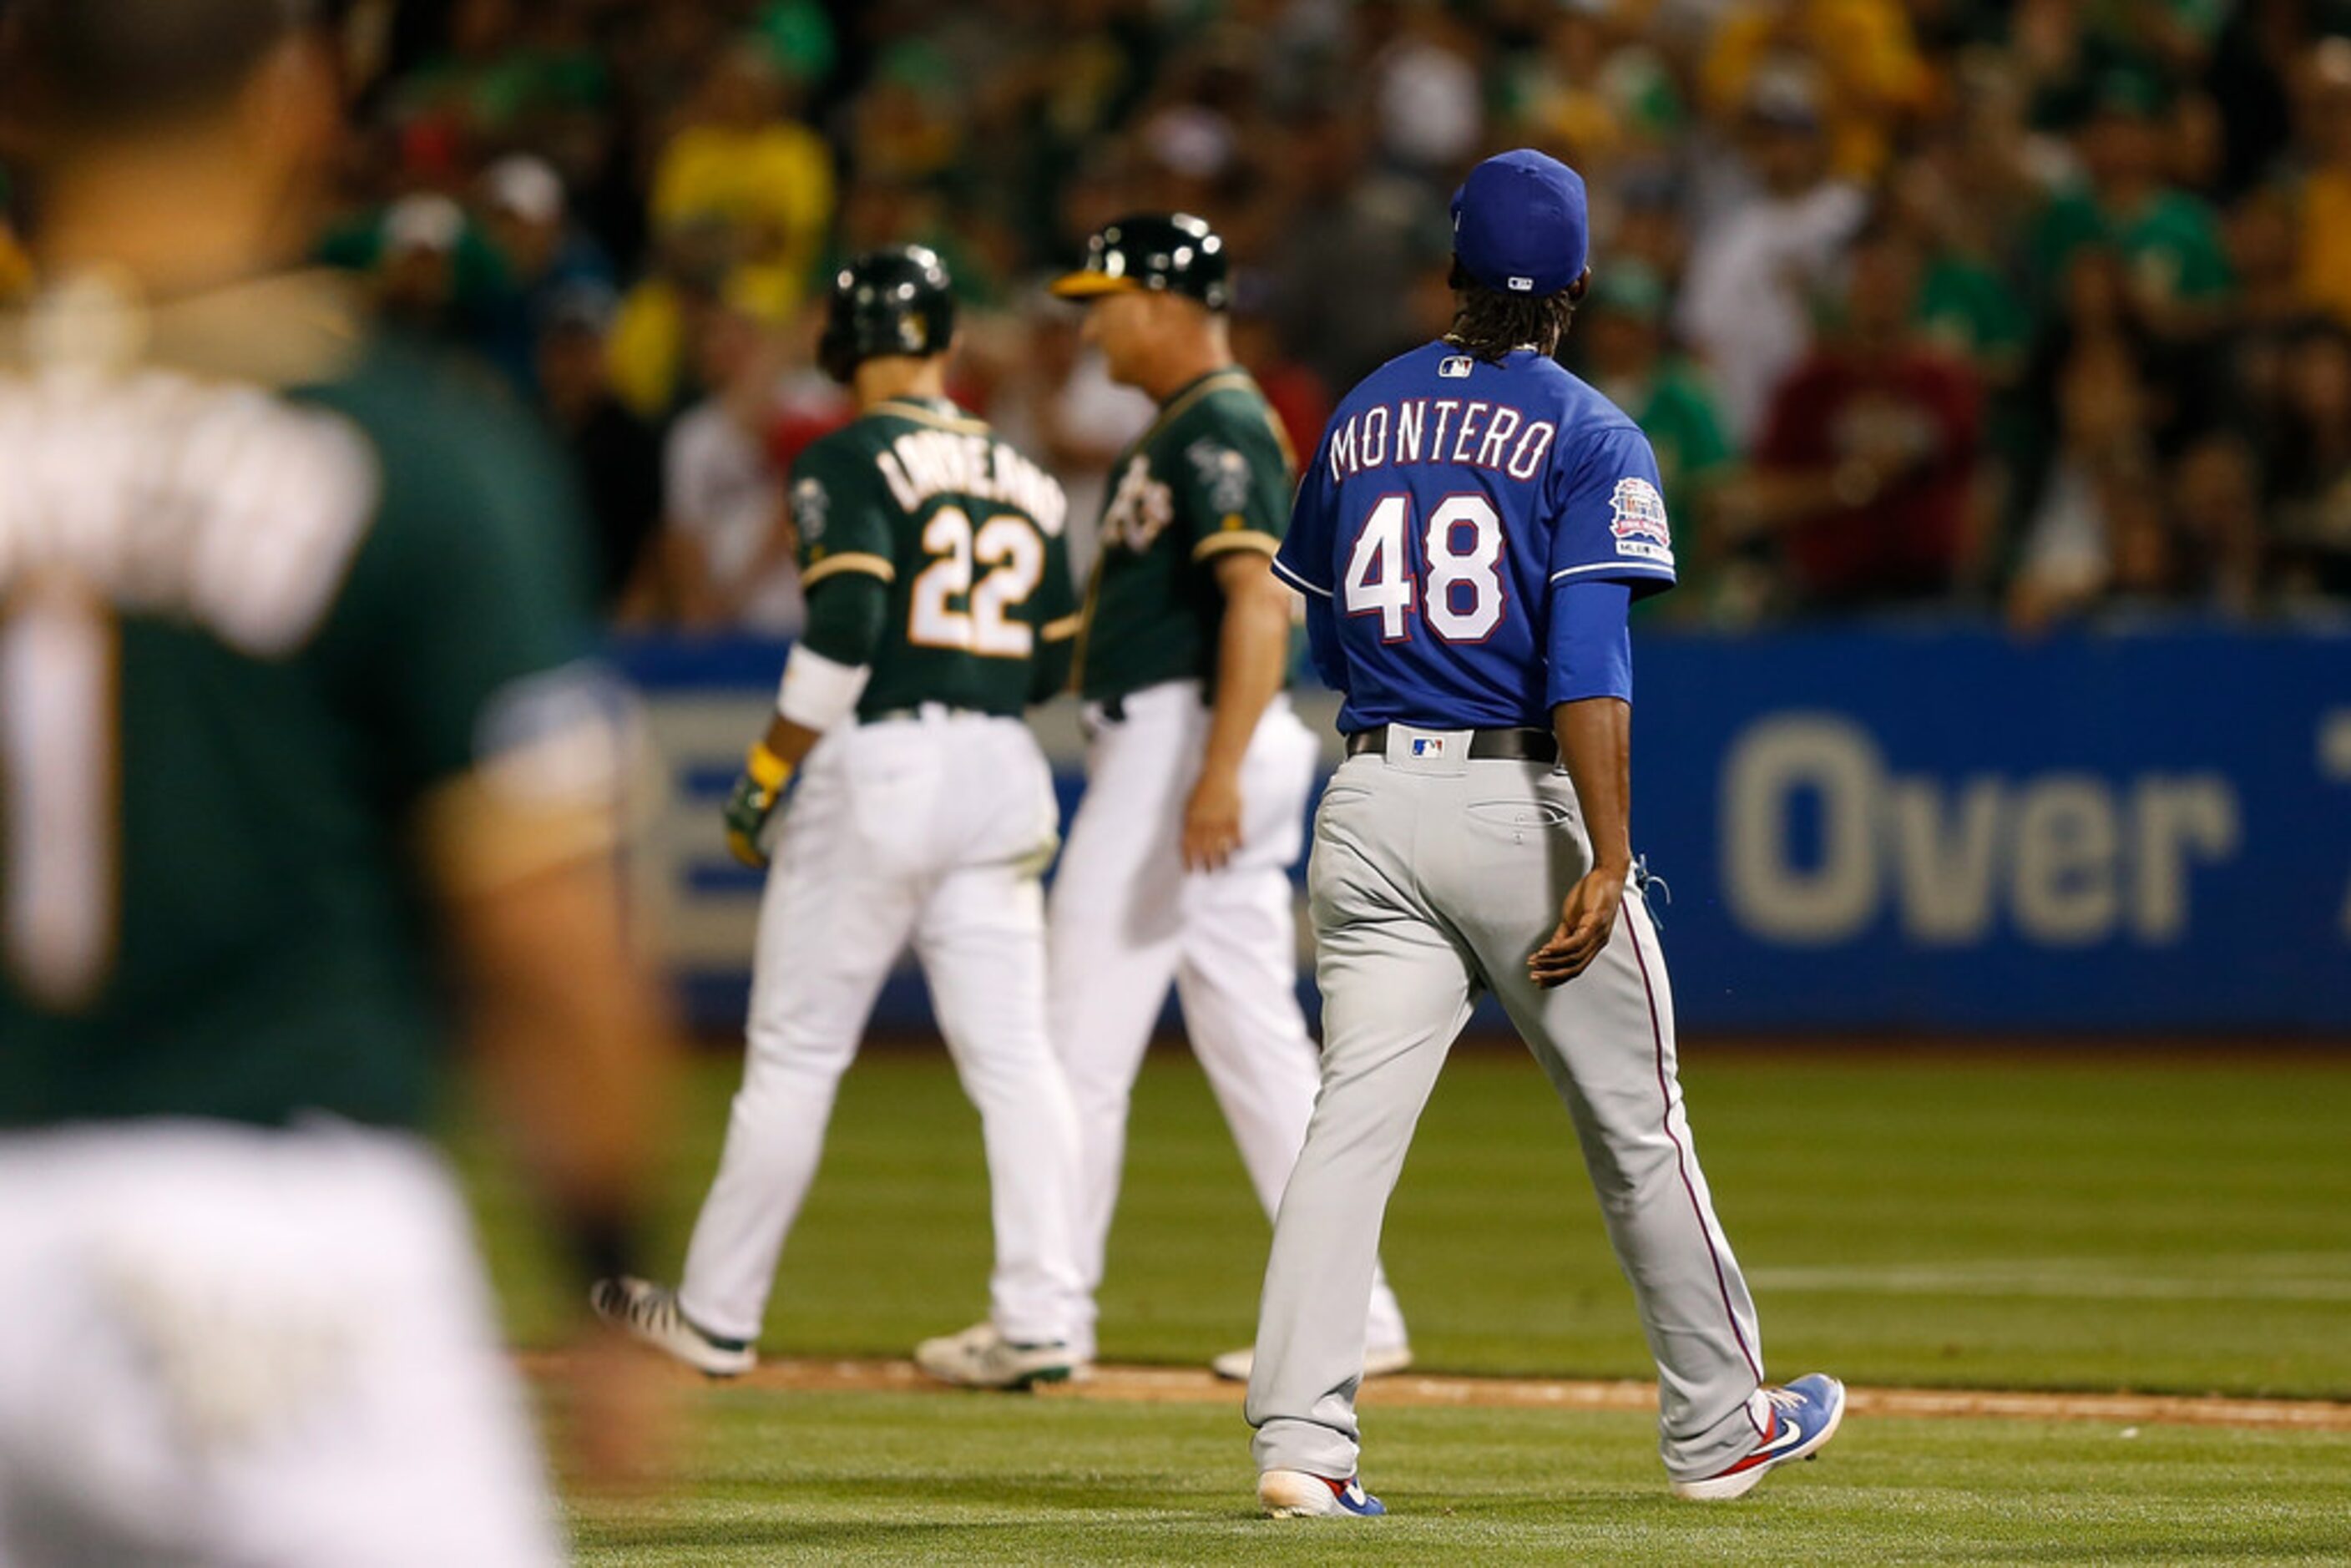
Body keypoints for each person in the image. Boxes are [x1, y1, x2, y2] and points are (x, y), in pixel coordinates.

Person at [0, 3, 675, 1562]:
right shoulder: (405, 453)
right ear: (297, 100)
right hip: (274, 1251)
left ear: (24, 100)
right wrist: (613, 1282)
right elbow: (549, 941)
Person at [1246, 149, 1844, 1520]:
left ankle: (1302, 1445)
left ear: (1450, 268)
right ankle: (1719, 1424)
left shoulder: (1361, 411)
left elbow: (1327, 631)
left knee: (1348, 1131)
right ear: (1577, 285)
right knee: (1639, 1126)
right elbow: (1588, 664)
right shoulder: (1591, 431)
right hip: (1518, 805)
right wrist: (1610, 850)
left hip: (1372, 796)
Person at [593, 247, 1091, 1390]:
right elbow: (1055, 659)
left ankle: (717, 1313)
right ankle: (1042, 1310)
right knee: (1016, 1056)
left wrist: (768, 769)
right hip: (1000, 767)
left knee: (798, 1052)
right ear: (944, 344)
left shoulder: (845, 456)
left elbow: (848, 625)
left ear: (840, 348)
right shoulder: (1024, 469)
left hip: (882, 758)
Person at [1045, 214, 1410, 1379]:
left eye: (1107, 297)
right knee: (1255, 1039)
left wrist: (1212, 771)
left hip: (1190, 742)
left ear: (1162, 303)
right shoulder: (1196, 423)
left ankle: (1043, 1303)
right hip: (1199, 739)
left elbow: (1263, 600)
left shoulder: (1217, 421)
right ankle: (1358, 1309)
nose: (1093, 320)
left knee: (1074, 1031)